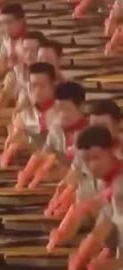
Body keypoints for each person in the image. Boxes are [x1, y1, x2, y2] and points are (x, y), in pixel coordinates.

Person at [46, 100, 122, 250]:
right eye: (93, 127)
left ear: (118, 125)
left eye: (103, 127)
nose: (98, 132)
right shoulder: (87, 147)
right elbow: (71, 180)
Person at [60, 126, 123, 270]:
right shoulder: (110, 185)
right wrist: (81, 257)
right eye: (86, 160)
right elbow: (101, 230)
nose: (92, 166)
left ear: (112, 150)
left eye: (96, 157)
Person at [15, 81, 87, 190]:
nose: (61, 115)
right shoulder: (55, 129)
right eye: (58, 109)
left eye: (66, 109)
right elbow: (45, 153)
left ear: (81, 107)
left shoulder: (91, 134)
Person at [0, 62, 58, 168]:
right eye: (34, 86)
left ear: (53, 85)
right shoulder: (23, 117)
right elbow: (7, 154)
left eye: (43, 86)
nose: (38, 91)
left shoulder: (63, 114)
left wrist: (30, 144)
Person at [0, 31, 46, 120]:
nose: (29, 55)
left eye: (33, 50)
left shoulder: (47, 76)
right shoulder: (18, 72)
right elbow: (6, 95)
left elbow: (36, 107)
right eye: (25, 50)